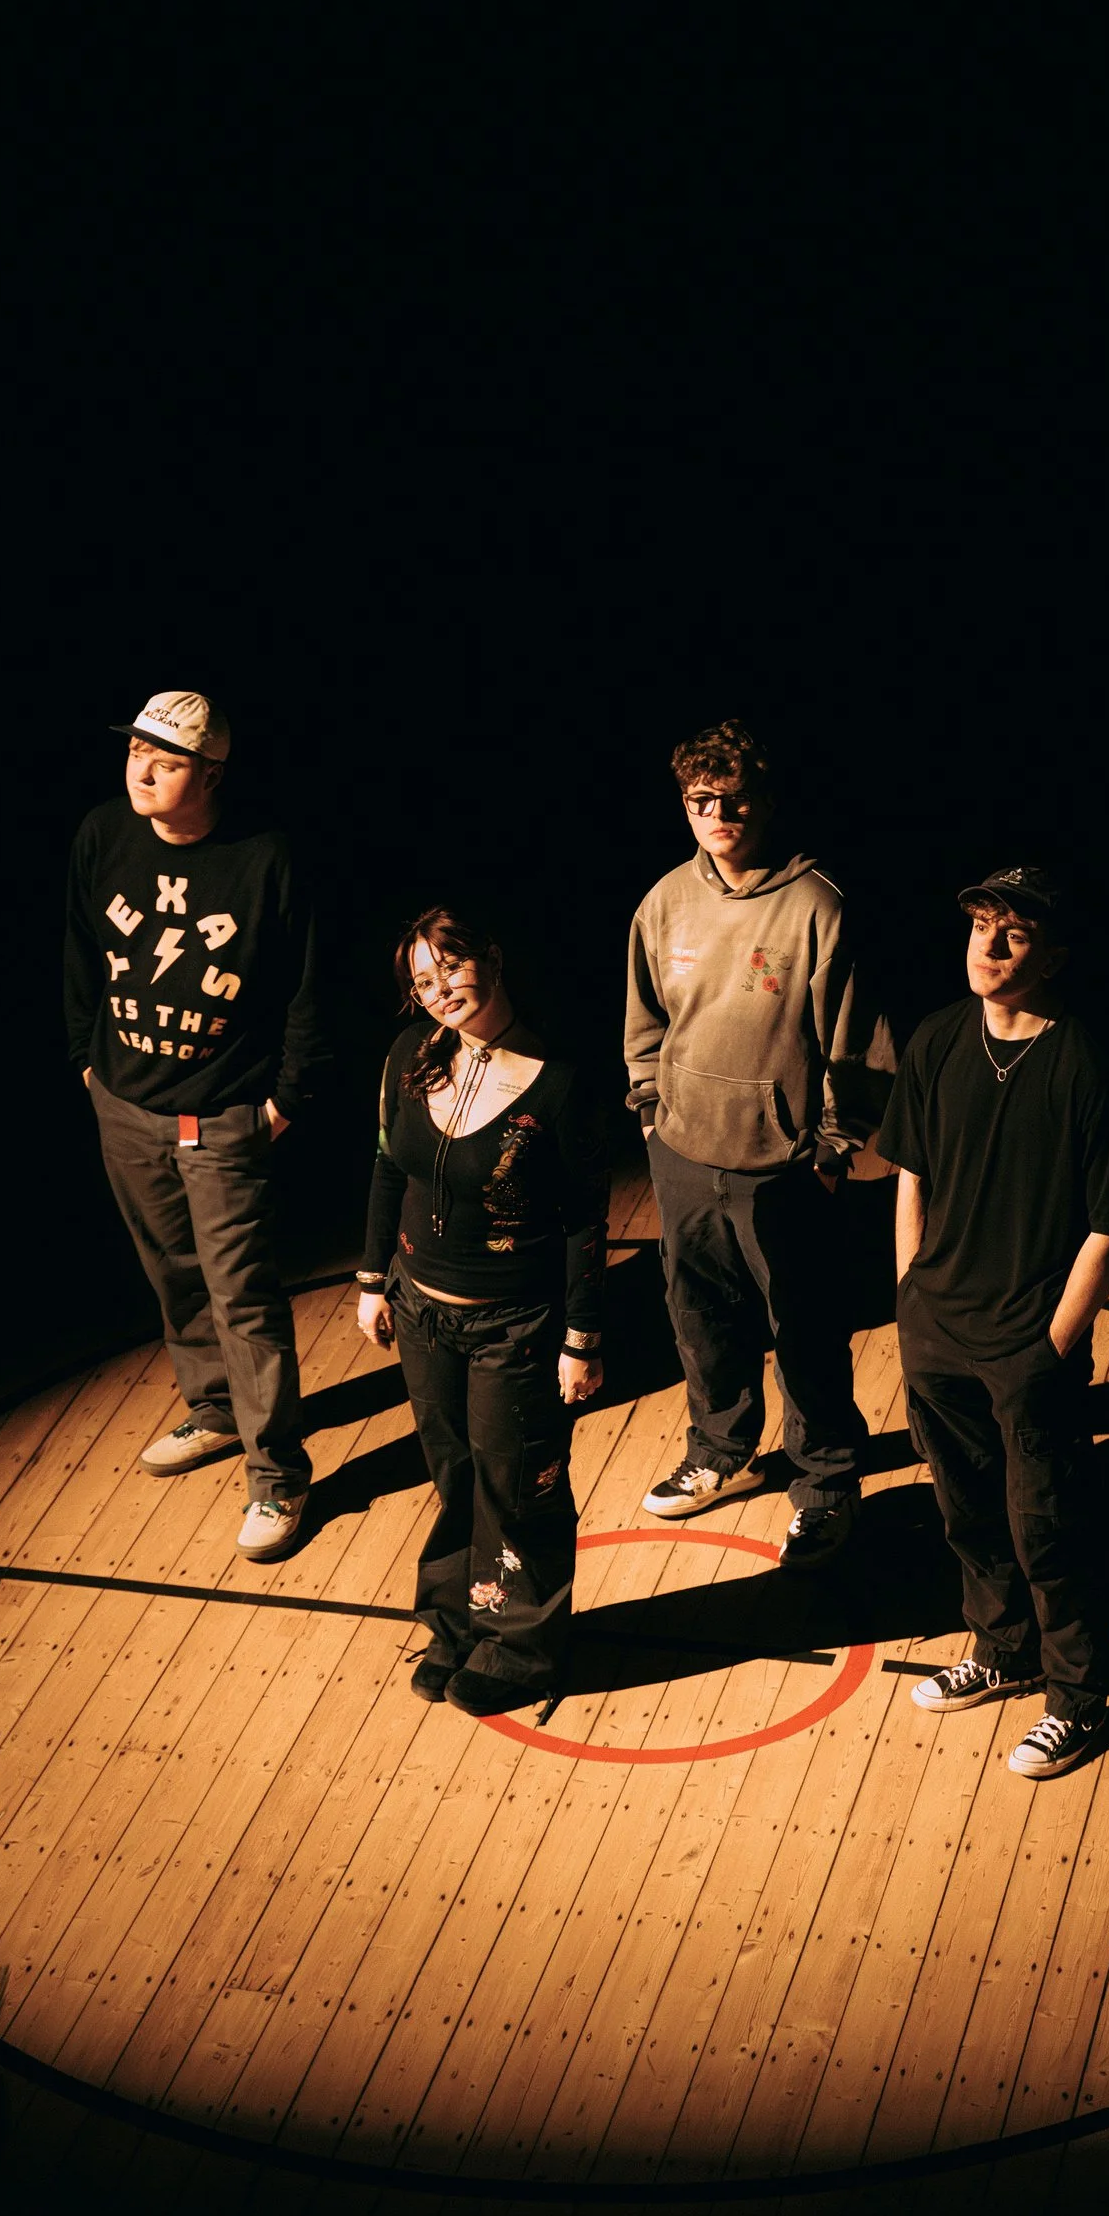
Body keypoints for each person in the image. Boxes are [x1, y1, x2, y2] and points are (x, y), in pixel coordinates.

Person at [877, 866, 1109, 1779]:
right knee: (965, 1512)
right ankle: (999, 1650)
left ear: (1053, 956)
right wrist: (910, 1292)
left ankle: (1076, 1699)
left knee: (1049, 1526)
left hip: (1026, 1343)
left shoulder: (1085, 1064)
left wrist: (1052, 1347)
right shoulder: (938, 1040)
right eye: (981, 926)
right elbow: (910, 1166)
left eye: (1014, 935)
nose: (987, 948)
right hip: (937, 1327)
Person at [624, 718, 891, 1571]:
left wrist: (831, 1149)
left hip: (781, 1167)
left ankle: (825, 1482)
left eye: (735, 798)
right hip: (682, 1155)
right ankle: (720, 1449)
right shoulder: (665, 900)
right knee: (699, 1315)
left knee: (806, 1328)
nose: (719, 813)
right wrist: (650, 1113)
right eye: (702, 800)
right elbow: (645, 1022)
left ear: (766, 802)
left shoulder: (817, 906)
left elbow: (855, 1048)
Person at [65, 688, 323, 1560]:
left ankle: (279, 1476)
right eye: (135, 750)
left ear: (210, 774)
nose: (141, 770)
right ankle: (213, 1410)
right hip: (126, 1104)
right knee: (172, 1275)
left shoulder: (265, 859)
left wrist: (286, 1100)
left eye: (165, 760)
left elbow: (305, 988)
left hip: (219, 1115)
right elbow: (76, 952)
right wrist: (88, 1063)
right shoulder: (104, 833)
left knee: (242, 1297)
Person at [357, 907, 608, 1716]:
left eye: (452, 970)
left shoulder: (560, 1081)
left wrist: (581, 1337)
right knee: (454, 1474)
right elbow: (388, 1171)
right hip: (422, 1310)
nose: (439, 993)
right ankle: (456, 1622)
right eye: (422, 983)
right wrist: (371, 1280)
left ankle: (522, 1649)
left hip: (514, 1325)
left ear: (492, 961)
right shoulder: (408, 1058)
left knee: (517, 1486)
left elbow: (584, 1222)